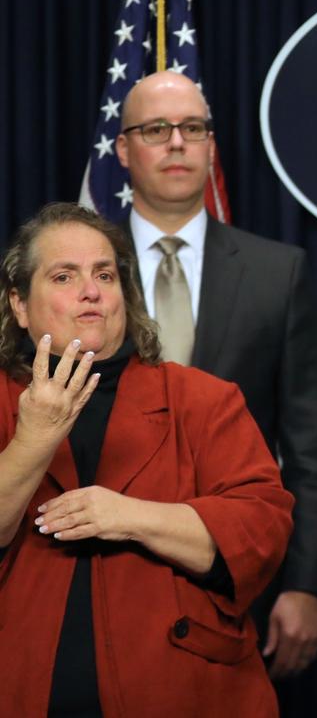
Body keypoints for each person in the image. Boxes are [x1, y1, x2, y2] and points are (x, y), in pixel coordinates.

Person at [0, 203, 294, 716]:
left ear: (124, 295)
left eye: (105, 274)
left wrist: (130, 516)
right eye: (64, 275)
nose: (90, 291)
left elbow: (262, 528)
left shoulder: (202, 400)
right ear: (20, 305)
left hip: (189, 693)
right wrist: (34, 439)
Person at [114, 70, 317, 681]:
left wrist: (307, 585)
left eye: (193, 128)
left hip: (242, 580)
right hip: (107, 569)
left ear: (212, 145)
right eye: (157, 129)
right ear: (124, 149)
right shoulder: (83, 274)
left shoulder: (278, 272)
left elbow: (310, 449)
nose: (178, 143)